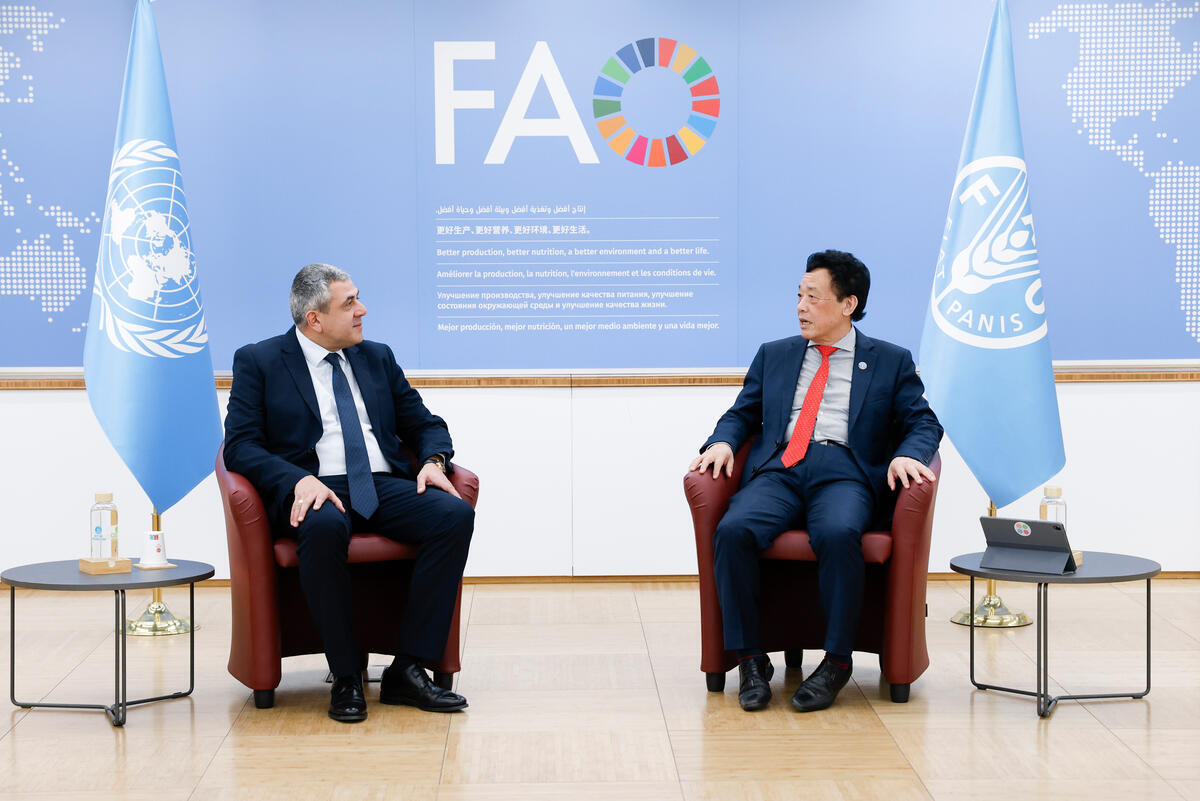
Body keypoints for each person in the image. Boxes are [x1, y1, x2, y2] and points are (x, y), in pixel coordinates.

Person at [688, 250, 942, 713]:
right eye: (799, 296)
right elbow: (742, 413)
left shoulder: (889, 360)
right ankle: (750, 659)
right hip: (781, 469)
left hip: (845, 472)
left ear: (848, 304)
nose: (801, 307)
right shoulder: (775, 354)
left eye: (813, 297)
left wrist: (908, 453)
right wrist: (721, 442)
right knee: (733, 531)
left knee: (839, 533)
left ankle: (837, 661)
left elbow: (923, 422)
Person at [224, 263, 474, 723]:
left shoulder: (377, 357)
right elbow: (240, 446)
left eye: (358, 298)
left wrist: (434, 462)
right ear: (314, 319)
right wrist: (295, 479)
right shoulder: (260, 361)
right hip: (313, 486)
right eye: (350, 303)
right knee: (321, 527)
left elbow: (425, 424)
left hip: (381, 482)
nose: (363, 310)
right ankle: (344, 676)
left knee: (453, 515)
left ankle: (408, 668)